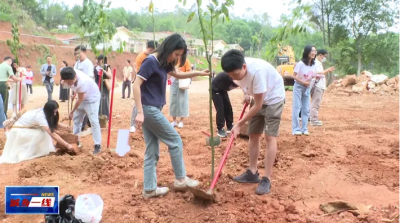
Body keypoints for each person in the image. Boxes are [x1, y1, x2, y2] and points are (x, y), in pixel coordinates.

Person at [132, 33, 209, 198]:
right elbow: (136, 85)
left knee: (152, 150)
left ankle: (149, 189)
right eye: (176, 54)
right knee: (175, 141)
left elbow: (178, 74)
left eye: (180, 56)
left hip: (153, 109)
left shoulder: (163, 62)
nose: (176, 58)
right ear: (168, 48)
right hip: (148, 109)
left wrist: (199, 73)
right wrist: (139, 112)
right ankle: (180, 179)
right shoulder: (150, 61)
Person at [221, 49, 285, 195]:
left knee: (270, 136)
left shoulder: (258, 72)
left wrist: (238, 124)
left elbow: (258, 105)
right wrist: (247, 93)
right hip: (259, 97)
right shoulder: (235, 69)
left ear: (244, 67)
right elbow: (243, 83)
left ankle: (267, 178)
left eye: (235, 74)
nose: (233, 77)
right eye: (230, 75)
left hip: (273, 98)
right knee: (253, 134)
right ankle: (252, 172)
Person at [0, 100, 74, 164]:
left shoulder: (44, 111)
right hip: (19, 131)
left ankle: (36, 149)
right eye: (54, 112)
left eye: (56, 112)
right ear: (49, 111)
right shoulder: (40, 116)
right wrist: (67, 145)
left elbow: (54, 122)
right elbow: (52, 134)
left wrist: (66, 127)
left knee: (43, 131)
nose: (55, 114)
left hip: (27, 128)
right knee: (42, 133)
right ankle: (29, 152)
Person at [61, 67, 102, 155]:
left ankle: (97, 145)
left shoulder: (81, 82)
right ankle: (75, 141)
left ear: (75, 76)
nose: (69, 84)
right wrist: (73, 93)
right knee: (76, 120)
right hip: (82, 97)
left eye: (70, 82)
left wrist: (72, 111)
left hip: (91, 99)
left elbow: (79, 100)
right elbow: (74, 88)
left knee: (94, 121)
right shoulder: (69, 75)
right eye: (67, 82)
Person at [291, 45, 321, 136]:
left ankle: (304, 128)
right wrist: (303, 82)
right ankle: (296, 129)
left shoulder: (314, 65)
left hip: (307, 87)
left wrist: (316, 78)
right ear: (307, 52)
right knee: (296, 107)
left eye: (315, 51)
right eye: (312, 51)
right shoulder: (300, 64)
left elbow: (312, 75)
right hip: (299, 86)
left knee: (306, 109)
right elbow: (293, 76)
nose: (314, 53)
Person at [130, 40, 159, 133]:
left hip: (147, 84)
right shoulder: (143, 57)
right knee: (137, 104)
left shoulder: (150, 57)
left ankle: (144, 125)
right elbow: (141, 73)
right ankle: (132, 124)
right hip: (141, 83)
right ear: (151, 48)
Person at [310, 49, 335, 126]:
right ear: (320, 55)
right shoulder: (316, 63)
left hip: (320, 86)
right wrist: (327, 70)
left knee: (316, 103)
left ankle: (312, 118)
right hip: (317, 86)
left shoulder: (319, 63)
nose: (324, 58)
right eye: (324, 56)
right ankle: (313, 120)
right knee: (315, 103)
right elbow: (316, 73)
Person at [73, 45, 94, 133]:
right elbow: (74, 78)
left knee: (89, 112)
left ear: (84, 52)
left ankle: (88, 126)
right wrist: (74, 92)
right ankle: (77, 134)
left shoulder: (88, 63)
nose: (77, 55)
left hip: (87, 92)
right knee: (78, 114)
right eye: (76, 53)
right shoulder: (77, 64)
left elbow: (88, 79)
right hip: (80, 91)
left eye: (79, 53)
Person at [211, 71, 238, 138]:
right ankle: (220, 129)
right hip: (215, 89)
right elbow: (241, 84)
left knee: (228, 107)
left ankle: (229, 125)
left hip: (223, 89)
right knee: (220, 109)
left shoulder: (239, 77)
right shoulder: (231, 75)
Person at [169, 58, 191, 128]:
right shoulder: (173, 61)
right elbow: (169, 72)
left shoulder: (186, 61)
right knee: (173, 101)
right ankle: (174, 121)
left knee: (182, 101)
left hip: (182, 81)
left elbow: (189, 72)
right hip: (173, 81)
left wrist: (181, 73)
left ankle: (181, 121)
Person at [94, 55, 112, 120]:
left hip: (104, 87)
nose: (96, 61)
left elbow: (110, 76)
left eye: (97, 59)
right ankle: (98, 116)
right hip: (96, 87)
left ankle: (105, 117)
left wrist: (103, 71)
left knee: (104, 101)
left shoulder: (106, 67)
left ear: (101, 60)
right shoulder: (95, 68)